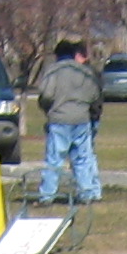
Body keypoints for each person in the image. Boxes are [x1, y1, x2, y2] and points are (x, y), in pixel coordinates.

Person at [34, 38, 101, 205]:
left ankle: (47, 195)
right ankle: (86, 193)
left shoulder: (53, 71)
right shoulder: (85, 72)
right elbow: (94, 94)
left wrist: (48, 108)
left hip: (59, 119)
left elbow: (47, 94)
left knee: (54, 159)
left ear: (57, 55)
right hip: (82, 119)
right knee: (83, 158)